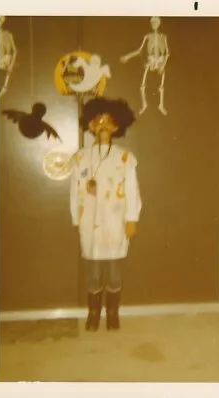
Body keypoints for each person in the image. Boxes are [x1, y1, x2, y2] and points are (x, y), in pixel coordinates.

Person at [70, 97, 142, 332]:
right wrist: (76, 217)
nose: (102, 126)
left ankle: (112, 312)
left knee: (113, 270)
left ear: (117, 126)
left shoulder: (124, 158)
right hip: (89, 221)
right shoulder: (80, 158)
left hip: (115, 221)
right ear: (89, 126)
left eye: (108, 121)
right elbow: (74, 190)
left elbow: (132, 190)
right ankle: (93, 312)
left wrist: (132, 218)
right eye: (97, 121)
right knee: (92, 271)